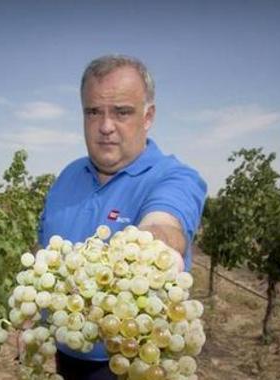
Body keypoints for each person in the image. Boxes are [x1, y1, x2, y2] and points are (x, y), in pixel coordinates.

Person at [38, 55, 207, 379]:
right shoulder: (66, 178)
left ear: (148, 117)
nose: (105, 127)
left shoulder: (174, 177)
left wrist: (157, 250)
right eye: (93, 112)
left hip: (134, 360)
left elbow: (165, 222)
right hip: (66, 355)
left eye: (122, 112)